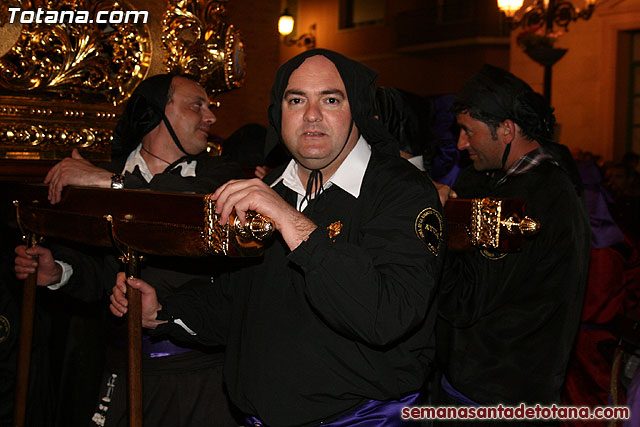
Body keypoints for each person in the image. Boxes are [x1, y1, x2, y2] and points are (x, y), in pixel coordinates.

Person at [110, 49, 445, 426]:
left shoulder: (402, 191)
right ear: (279, 113)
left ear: (358, 110)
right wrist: (162, 313)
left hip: (361, 418)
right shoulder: (270, 189)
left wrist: (293, 222)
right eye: (296, 100)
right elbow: (238, 303)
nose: (312, 115)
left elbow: (387, 315)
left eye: (331, 99)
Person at [13, 74, 244, 426]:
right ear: (155, 112)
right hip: (124, 369)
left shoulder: (221, 176)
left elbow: (183, 208)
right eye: (197, 104)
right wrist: (59, 271)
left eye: (209, 106)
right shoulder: (105, 175)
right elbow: (97, 271)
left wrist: (111, 185)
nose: (211, 117)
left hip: (203, 376)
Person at [436, 65, 591, 409]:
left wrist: (436, 225)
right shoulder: (551, 178)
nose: (461, 144)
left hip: (490, 397)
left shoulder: (514, 203)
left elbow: (463, 301)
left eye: (468, 131)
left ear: (506, 129)